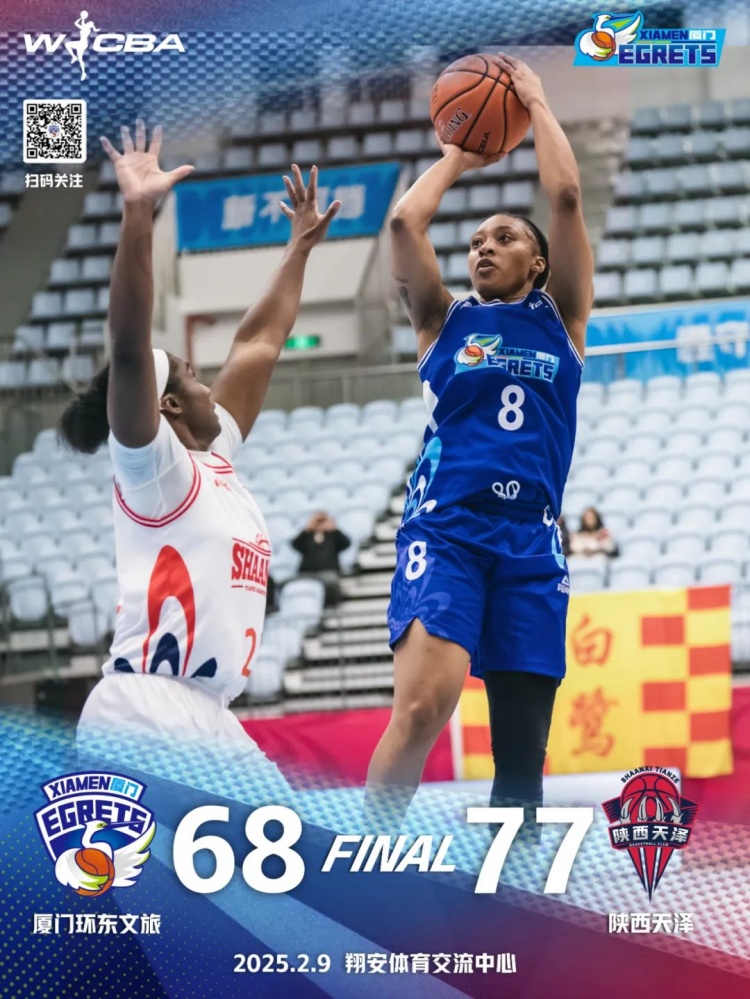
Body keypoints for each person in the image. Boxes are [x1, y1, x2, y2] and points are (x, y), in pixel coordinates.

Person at [60, 120, 339, 775]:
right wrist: (137, 213)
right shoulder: (154, 468)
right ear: (167, 405)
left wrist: (298, 250)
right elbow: (130, 347)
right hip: (145, 708)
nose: (209, 384)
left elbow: (259, 342)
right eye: (191, 376)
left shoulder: (215, 458)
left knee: (287, 840)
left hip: (208, 712)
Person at [366, 54, 594, 834]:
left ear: (540, 260)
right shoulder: (444, 319)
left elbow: (566, 195)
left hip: (531, 541)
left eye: (504, 237)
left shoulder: (561, 318)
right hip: (449, 530)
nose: (483, 248)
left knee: (521, 763)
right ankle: (365, 861)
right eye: (474, 242)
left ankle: (512, 883)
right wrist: (459, 156)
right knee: (422, 709)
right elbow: (404, 224)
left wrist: (533, 100)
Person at [291, 512, 351, 607]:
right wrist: (307, 528)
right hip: (307, 572)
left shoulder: (333, 536)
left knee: (331, 582)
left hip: (328, 571)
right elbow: (295, 544)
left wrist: (334, 528)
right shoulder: (307, 537)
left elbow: (346, 544)